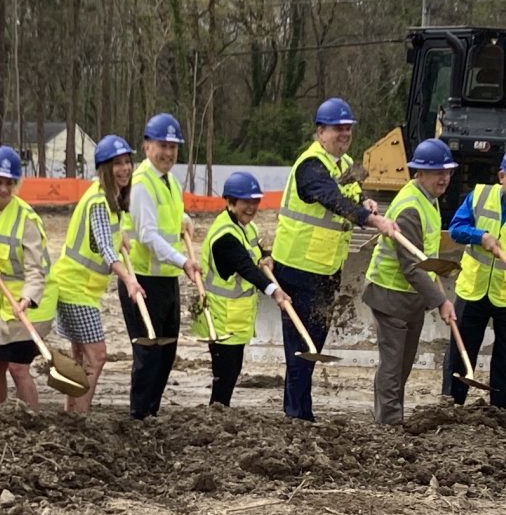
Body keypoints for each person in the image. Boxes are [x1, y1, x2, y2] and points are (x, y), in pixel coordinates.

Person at [270, 97, 400, 422]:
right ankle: (297, 415)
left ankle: (301, 410)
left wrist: (366, 203)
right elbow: (332, 200)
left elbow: (350, 196)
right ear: (320, 132)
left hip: (326, 268)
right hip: (298, 267)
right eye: (337, 128)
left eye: (348, 128)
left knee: (313, 344)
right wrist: (374, 220)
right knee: (302, 346)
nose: (344, 134)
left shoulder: (345, 164)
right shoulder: (311, 166)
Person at [361, 139, 461, 425]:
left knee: (402, 364)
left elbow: (424, 255)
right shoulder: (410, 207)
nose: (444, 178)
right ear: (420, 173)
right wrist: (441, 301)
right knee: (393, 365)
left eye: (448, 172)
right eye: (438, 172)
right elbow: (411, 267)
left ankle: (389, 418)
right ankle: (389, 425)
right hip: (390, 294)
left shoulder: (429, 199)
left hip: (410, 297)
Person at [49, 136, 148, 418]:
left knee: (80, 357)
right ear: (104, 168)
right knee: (98, 356)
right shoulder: (98, 201)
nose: (124, 169)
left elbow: (108, 235)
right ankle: (80, 415)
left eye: (127, 162)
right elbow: (105, 247)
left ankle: (70, 413)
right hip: (74, 288)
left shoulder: (111, 199)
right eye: (117, 164)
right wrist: (129, 280)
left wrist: (122, 235)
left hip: (83, 290)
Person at [442, 145, 506, 406]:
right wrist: (480, 236)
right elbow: (456, 228)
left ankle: (504, 411)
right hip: (473, 289)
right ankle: (451, 405)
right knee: (460, 353)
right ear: (502, 176)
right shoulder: (479, 196)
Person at [123, 111, 191, 419]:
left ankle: (152, 412)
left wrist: (184, 219)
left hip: (166, 278)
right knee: (148, 353)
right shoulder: (141, 183)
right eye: (162, 146)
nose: (168, 153)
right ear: (147, 146)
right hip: (143, 280)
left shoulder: (170, 182)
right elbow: (148, 235)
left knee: (166, 352)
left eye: (173, 147)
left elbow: (169, 217)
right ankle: (139, 415)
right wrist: (183, 261)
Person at [195, 171, 279, 408]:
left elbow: (254, 254)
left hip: (235, 316)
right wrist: (274, 291)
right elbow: (245, 267)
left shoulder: (246, 228)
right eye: (245, 202)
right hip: (221, 317)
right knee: (225, 373)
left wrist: (266, 257)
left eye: (255, 202)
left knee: (232, 371)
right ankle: (216, 413)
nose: (251, 208)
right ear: (231, 202)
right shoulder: (225, 236)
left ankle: (220, 412)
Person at [0, 145, 51, 408]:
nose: (4, 189)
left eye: (9, 183)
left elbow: (36, 270)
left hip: (30, 303)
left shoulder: (26, 219)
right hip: (2, 304)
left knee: (18, 368)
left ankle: (32, 421)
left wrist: (27, 299)